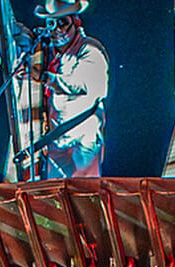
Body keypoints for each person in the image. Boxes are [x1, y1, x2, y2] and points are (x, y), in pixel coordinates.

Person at [12, 0, 109, 179]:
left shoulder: (90, 49)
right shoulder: (48, 53)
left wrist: (46, 77)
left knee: (84, 191)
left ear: (76, 22)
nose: (57, 29)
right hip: (56, 141)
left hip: (83, 140)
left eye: (62, 23)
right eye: (52, 23)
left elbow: (85, 85)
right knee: (55, 192)